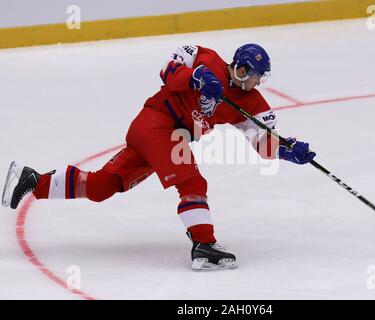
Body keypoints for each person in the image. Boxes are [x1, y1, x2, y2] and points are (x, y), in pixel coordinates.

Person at [2, 44, 316, 270]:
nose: (259, 83)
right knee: (192, 180)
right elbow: (168, 71)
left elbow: (262, 143)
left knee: (102, 187)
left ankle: (33, 181)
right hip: (156, 124)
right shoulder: (203, 56)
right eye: (257, 76)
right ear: (243, 69)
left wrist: (288, 149)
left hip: (169, 138)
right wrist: (195, 77)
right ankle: (203, 245)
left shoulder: (255, 104)